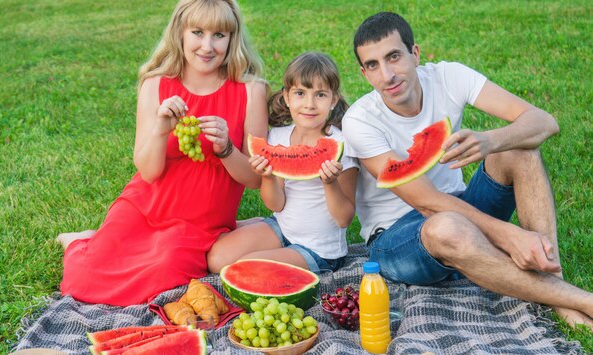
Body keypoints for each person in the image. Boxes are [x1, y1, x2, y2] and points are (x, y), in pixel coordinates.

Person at [342, 12, 593, 330]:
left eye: (394, 57)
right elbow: (426, 203)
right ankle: (579, 301)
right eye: (373, 65)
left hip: (463, 214)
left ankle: (554, 284)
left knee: (519, 150)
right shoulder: (360, 120)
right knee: (445, 226)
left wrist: (492, 140)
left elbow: (544, 122)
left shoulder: (449, 77)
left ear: (415, 54)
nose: (387, 75)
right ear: (364, 74)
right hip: (397, 241)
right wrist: (508, 235)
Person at [57, 0, 269, 306]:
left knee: (164, 273)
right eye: (197, 32)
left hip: (198, 224)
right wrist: (160, 129)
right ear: (180, 33)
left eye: (219, 35)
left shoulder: (250, 91)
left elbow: (255, 179)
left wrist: (227, 149)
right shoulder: (155, 85)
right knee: (82, 280)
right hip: (145, 206)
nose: (207, 46)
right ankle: (79, 242)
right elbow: (148, 172)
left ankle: (94, 239)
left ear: (232, 38)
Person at [206, 52, 358, 273]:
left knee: (244, 269)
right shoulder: (277, 137)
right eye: (300, 93)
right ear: (287, 98)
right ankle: (262, 230)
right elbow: (276, 204)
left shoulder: (341, 145)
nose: (309, 104)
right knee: (217, 259)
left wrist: (330, 183)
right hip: (282, 228)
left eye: (320, 95)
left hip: (319, 250)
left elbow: (344, 218)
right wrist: (268, 176)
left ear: (333, 100)